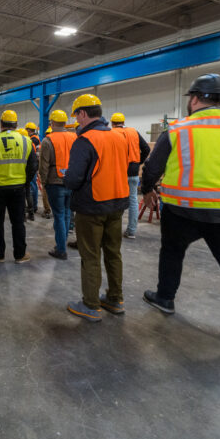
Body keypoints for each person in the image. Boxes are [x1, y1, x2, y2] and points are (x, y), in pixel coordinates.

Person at [140, 73, 220, 348]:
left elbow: (153, 167)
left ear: (195, 98)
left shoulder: (178, 130)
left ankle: (165, 298)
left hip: (182, 210)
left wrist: (148, 190)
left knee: (172, 252)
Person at [62, 94, 129, 322]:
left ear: (82, 113)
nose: (77, 121)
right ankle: (115, 298)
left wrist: (66, 175)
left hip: (92, 206)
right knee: (113, 252)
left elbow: (73, 179)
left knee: (90, 255)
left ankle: (90, 304)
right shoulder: (119, 137)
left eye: (77, 116)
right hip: (117, 203)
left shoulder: (85, 140)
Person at [0, 110, 38, 263]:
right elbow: (33, 165)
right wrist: (25, 181)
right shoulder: (26, 141)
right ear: (16, 125)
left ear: (1, 124)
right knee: (18, 221)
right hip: (18, 188)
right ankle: (20, 255)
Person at [39, 109, 76, 259]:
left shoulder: (48, 140)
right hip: (72, 182)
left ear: (52, 123)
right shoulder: (75, 137)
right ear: (65, 123)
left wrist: (44, 182)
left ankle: (61, 249)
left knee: (59, 216)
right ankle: (62, 243)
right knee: (67, 214)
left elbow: (44, 165)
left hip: (55, 183)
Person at [110, 112, 151, 239]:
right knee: (133, 200)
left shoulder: (111, 134)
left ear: (112, 123)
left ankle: (112, 230)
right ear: (123, 122)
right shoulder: (134, 132)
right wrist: (138, 162)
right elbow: (146, 149)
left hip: (118, 171)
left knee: (115, 200)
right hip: (133, 171)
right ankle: (131, 231)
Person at [25, 122, 42, 221]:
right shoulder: (35, 139)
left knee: (32, 187)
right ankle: (33, 206)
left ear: (28, 130)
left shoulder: (33, 140)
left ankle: (33, 206)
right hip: (34, 165)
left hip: (32, 165)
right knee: (32, 186)